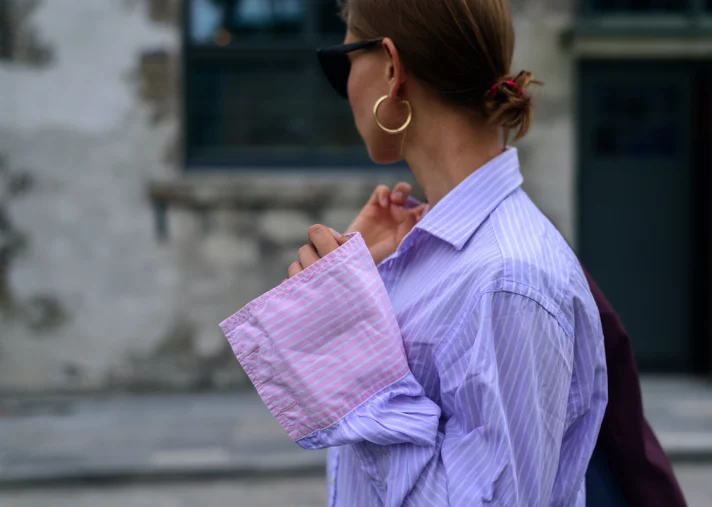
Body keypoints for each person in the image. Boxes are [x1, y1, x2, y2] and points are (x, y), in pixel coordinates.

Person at [220, 1, 607, 505]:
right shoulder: (439, 251)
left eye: (342, 60)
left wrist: (350, 350)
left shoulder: (507, 279)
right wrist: (368, 279)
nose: (344, 89)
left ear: (390, 68)